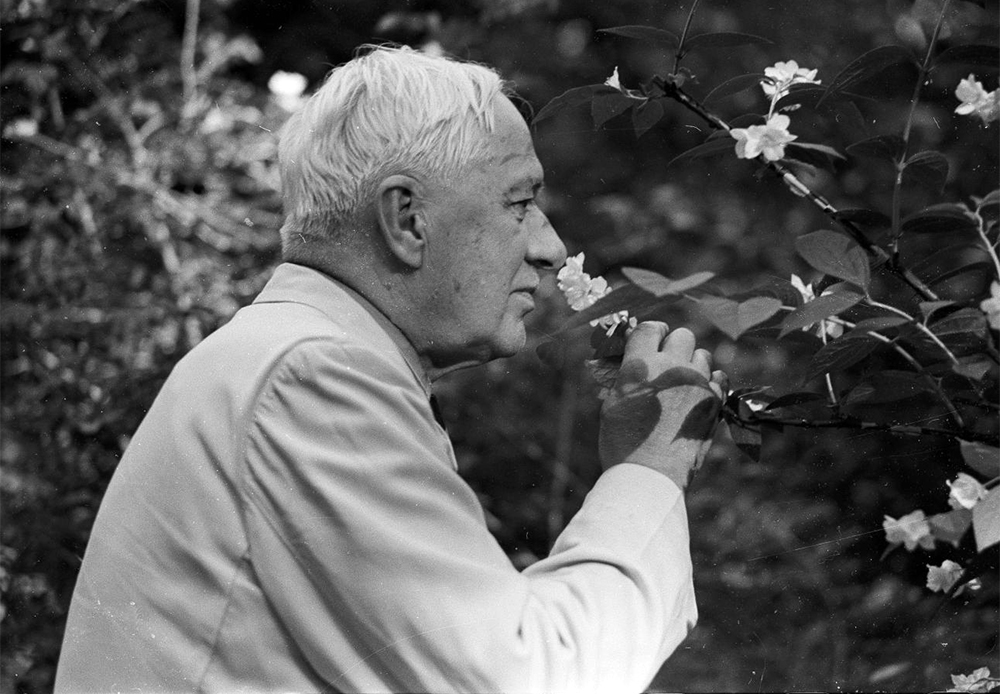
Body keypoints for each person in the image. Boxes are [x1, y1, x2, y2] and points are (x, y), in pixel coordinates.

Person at [55, 45, 725, 693]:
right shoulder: (312, 379)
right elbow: (535, 676)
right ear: (406, 219)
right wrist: (652, 468)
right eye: (520, 203)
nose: (550, 247)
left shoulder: (287, 356)